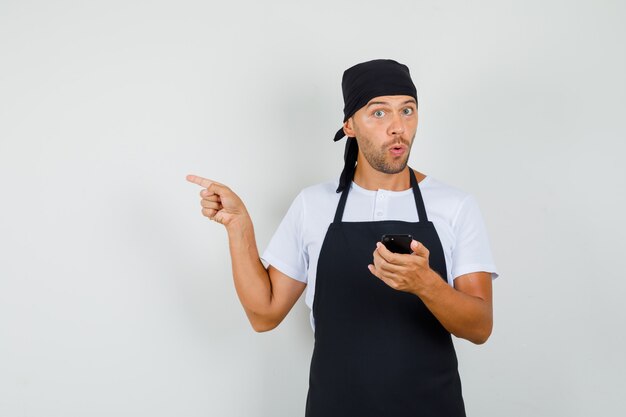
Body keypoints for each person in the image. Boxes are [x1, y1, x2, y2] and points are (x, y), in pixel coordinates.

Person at [186, 59, 498, 417]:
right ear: (349, 125)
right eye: (379, 113)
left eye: (407, 111)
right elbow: (264, 314)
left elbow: (480, 327)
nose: (398, 127)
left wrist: (426, 284)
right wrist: (239, 226)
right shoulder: (313, 205)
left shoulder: (455, 206)